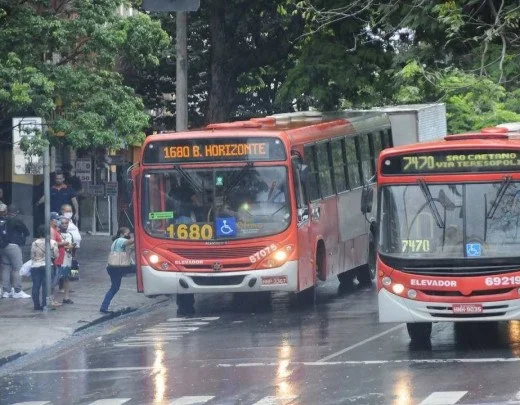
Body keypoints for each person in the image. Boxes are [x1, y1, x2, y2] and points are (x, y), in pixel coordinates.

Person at [100, 227, 135, 314]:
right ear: (122, 234)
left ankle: (104, 307)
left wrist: (131, 250)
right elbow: (131, 241)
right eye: (128, 233)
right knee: (140, 268)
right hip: (119, 267)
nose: (129, 235)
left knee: (114, 288)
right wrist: (139, 235)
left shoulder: (116, 242)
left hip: (112, 267)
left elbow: (125, 255)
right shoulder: (120, 240)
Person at [0, 203, 31, 299]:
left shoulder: (2, 221)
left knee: (6, 267)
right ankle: (17, 290)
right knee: (17, 268)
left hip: (2, 246)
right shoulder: (15, 220)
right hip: (13, 245)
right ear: (16, 212)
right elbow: (26, 232)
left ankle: (6, 291)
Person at [30, 225, 58, 310]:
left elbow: (32, 256)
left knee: (36, 286)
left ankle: (36, 305)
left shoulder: (34, 243)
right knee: (46, 286)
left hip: (36, 266)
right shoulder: (53, 242)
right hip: (48, 266)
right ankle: (45, 304)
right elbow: (56, 255)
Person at [55, 216, 75, 304]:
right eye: (62, 223)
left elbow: (71, 246)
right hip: (58, 257)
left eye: (66, 223)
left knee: (66, 278)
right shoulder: (56, 233)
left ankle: (66, 298)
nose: (64, 225)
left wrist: (69, 246)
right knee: (55, 278)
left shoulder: (70, 234)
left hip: (67, 258)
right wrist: (66, 245)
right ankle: (51, 298)